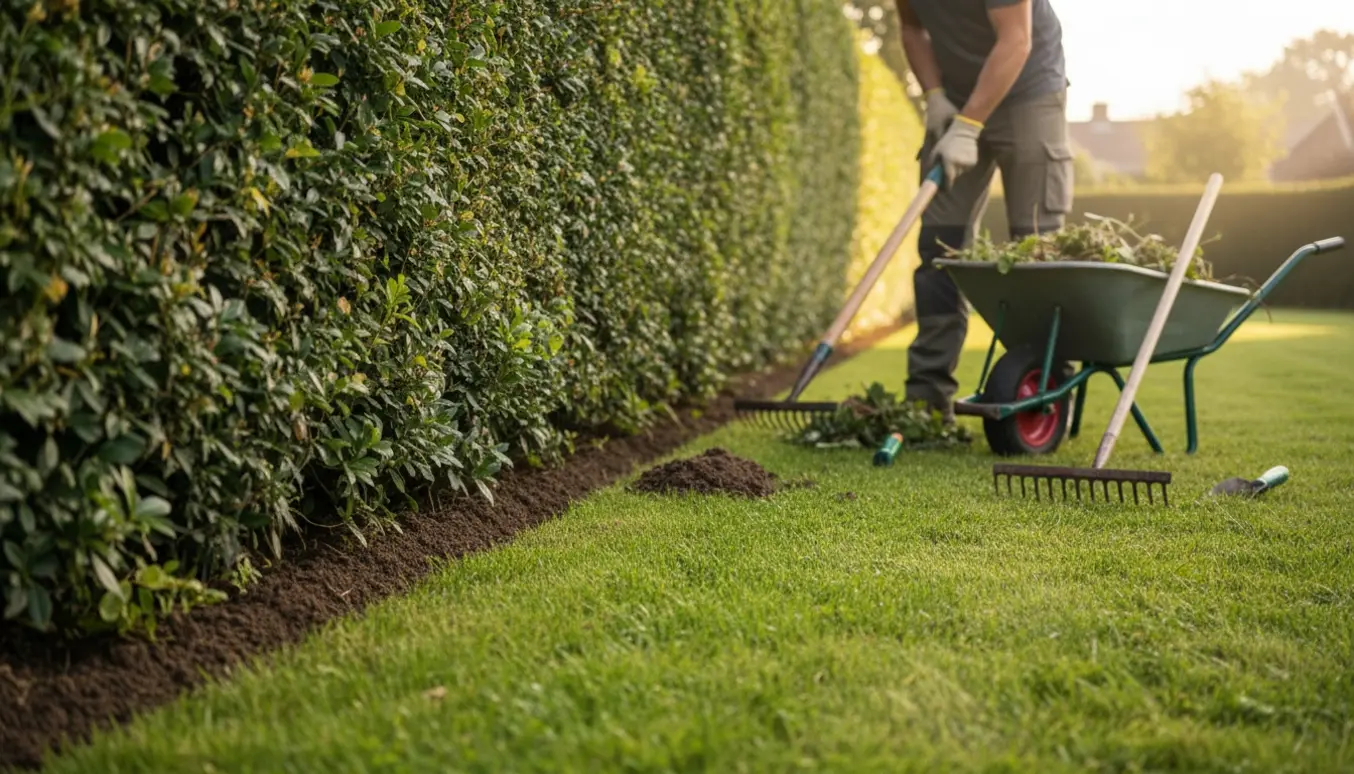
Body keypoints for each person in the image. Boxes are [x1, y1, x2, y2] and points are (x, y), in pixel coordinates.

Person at [895, 0, 1073, 422]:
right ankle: (927, 401)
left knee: (1036, 248)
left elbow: (1017, 39)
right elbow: (911, 28)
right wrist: (935, 96)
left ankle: (1042, 391)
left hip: (1030, 91)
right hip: (956, 95)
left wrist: (969, 126)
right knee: (939, 248)